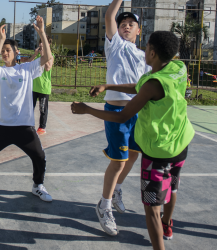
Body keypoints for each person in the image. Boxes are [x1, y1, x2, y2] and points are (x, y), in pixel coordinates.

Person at [72, 31, 194, 250]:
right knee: (172, 188)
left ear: (153, 53)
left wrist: (87, 110)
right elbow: (140, 87)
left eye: (147, 47)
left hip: (158, 152)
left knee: (151, 209)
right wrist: (107, 86)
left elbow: (122, 116)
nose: (144, 50)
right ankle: (167, 224)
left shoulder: (153, 83)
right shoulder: (178, 68)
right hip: (181, 144)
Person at [0, 17, 54, 203]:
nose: (5, 53)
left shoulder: (27, 69)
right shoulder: (1, 73)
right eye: (3, 51)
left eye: (8, 50)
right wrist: (0, 40)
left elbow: (46, 58)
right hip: (2, 126)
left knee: (39, 156)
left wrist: (42, 33)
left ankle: (38, 185)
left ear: (16, 52)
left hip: (24, 126)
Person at [93, 0, 149, 236]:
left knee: (134, 154)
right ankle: (104, 206)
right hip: (116, 109)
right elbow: (108, 15)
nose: (126, 25)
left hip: (138, 110)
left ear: (139, 30)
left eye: (131, 23)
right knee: (117, 160)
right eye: (123, 22)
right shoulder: (115, 45)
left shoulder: (143, 55)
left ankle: (115, 190)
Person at [22, 38, 54, 135]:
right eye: (40, 43)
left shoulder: (50, 56)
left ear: (48, 45)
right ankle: (28, 125)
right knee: (30, 107)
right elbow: (27, 63)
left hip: (44, 87)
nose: (41, 44)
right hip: (33, 86)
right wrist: (36, 54)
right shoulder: (37, 56)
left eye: (44, 43)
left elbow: (48, 68)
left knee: (42, 108)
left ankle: (42, 127)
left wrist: (43, 55)